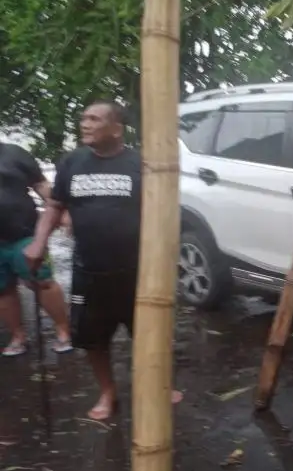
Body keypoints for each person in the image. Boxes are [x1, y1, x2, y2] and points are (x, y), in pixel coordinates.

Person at [24, 100, 182, 420]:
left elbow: (162, 212)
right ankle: (108, 393)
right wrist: (39, 242)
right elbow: (55, 206)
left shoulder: (141, 163)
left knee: (151, 333)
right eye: (83, 118)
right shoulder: (72, 162)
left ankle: (159, 385)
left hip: (139, 272)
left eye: (94, 119)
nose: (85, 124)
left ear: (116, 129)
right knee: (93, 339)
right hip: (90, 270)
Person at [0, 141, 72, 356]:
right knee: (3, 290)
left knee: (42, 281)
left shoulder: (14, 153)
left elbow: (41, 185)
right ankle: (18, 337)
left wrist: (62, 210)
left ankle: (64, 331)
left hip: (25, 234)